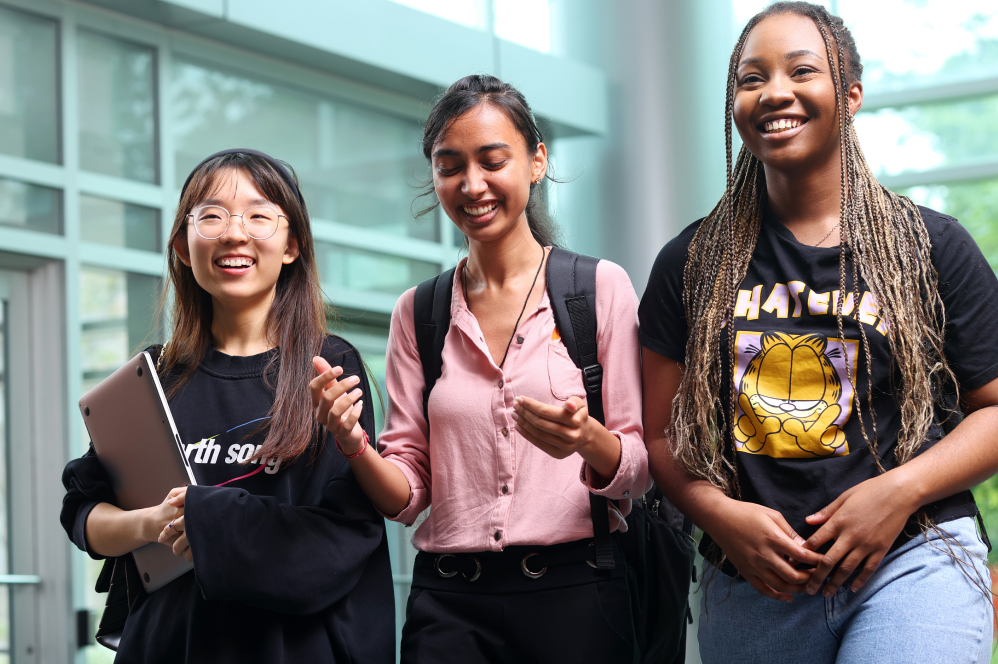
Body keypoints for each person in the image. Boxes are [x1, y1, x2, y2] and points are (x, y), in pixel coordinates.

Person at [639, 3, 998, 663]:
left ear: (851, 93)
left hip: (913, 560)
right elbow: (659, 435)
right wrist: (718, 515)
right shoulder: (690, 265)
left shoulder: (931, 245)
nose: (775, 91)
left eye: (801, 70)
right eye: (751, 78)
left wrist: (898, 491)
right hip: (752, 586)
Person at [311, 75, 649, 664]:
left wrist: (587, 440)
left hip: (576, 594)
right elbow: (408, 495)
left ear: (536, 161)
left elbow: (641, 467)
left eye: (493, 161)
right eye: (450, 166)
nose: (472, 185)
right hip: (449, 606)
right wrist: (353, 444)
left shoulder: (596, 289)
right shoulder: (419, 312)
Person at [60, 149, 394, 663]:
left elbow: (343, 539)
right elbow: (84, 515)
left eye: (259, 216)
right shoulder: (155, 376)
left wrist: (207, 519)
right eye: (212, 216)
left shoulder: (326, 365)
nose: (235, 234)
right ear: (183, 246)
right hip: (169, 645)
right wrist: (155, 523)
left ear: (291, 246)